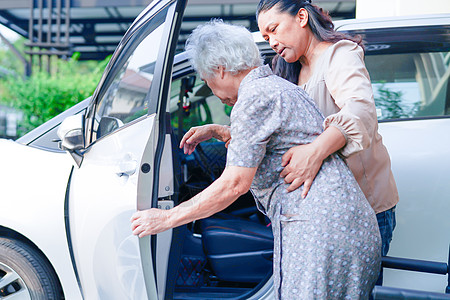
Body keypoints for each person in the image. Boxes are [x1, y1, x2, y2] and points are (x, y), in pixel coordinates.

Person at [131, 20, 381, 299]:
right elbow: (273, 142)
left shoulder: (253, 98)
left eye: (206, 80)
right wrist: (222, 131)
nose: (212, 89)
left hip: (320, 233)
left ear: (220, 69)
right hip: (345, 226)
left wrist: (166, 218)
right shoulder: (274, 87)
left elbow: (234, 184)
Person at [255, 0, 398, 285]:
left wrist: (314, 152)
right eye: (266, 37)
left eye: (274, 29)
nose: (272, 41)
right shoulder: (288, 72)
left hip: (364, 208)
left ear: (302, 17)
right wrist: (225, 131)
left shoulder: (338, 55)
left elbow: (360, 110)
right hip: (325, 212)